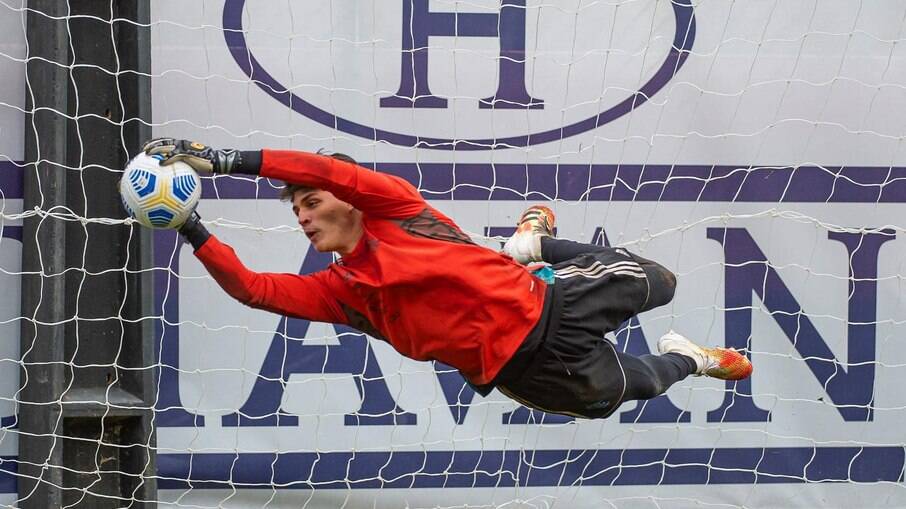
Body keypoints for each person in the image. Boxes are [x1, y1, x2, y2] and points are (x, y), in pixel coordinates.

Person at [142, 138, 752, 419]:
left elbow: (331, 169)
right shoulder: (342, 291)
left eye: (309, 200)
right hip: (521, 368)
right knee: (621, 393)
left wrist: (225, 162)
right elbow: (253, 289)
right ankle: (693, 360)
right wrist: (191, 226)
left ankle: (532, 243)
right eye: (294, 207)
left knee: (662, 281)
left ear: (346, 199)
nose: (302, 215)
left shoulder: (399, 209)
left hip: (552, 305)